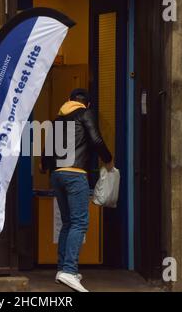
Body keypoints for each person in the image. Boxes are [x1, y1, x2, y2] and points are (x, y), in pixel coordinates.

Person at [40, 88, 113, 292]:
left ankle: (62, 269)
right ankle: (70, 271)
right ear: (87, 104)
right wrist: (108, 161)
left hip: (57, 175)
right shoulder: (85, 113)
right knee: (80, 222)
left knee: (68, 222)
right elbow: (96, 140)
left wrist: (45, 165)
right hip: (75, 174)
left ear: (68, 100)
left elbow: (47, 150)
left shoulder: (57, 119)